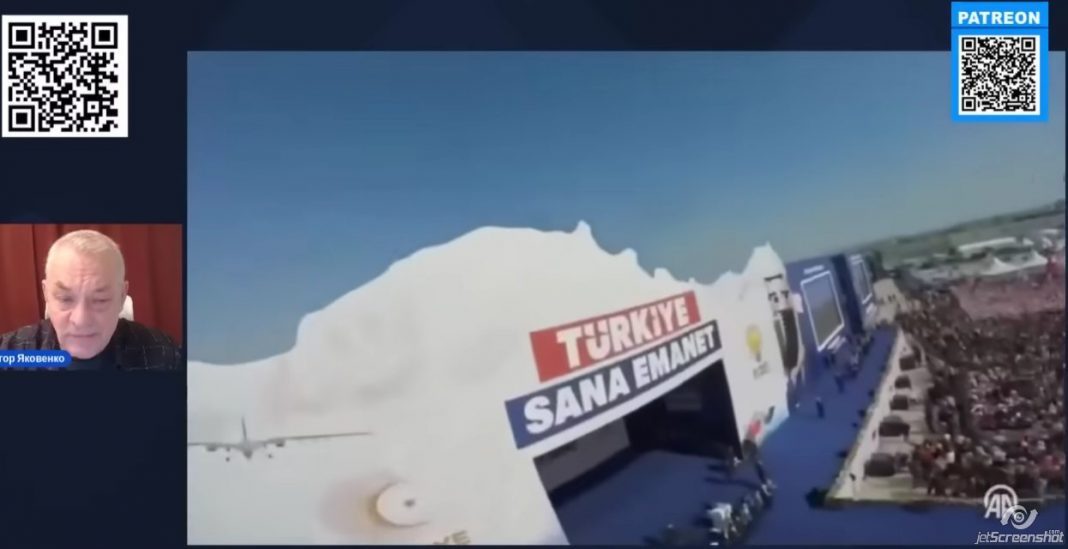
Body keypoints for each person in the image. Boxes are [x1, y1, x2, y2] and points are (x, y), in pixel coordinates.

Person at [0, 230, 182, 371]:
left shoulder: (165, 356)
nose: (81, 320)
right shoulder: (10, 354)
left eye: (100, 300)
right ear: (46, 293)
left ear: (121, 296)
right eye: (65, 299)